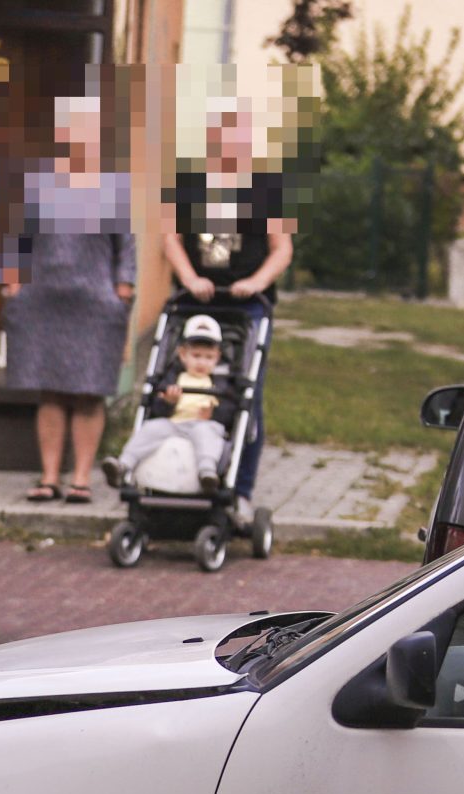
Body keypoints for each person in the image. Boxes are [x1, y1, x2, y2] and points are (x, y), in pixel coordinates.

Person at [160, 97, 291, 525]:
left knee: (244, 394)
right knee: (176, 382)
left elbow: (281, 248)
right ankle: (170, 472)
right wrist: (188, 278)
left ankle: (241, 489)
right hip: (195, 304)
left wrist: (255, 282)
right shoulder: (188, 184)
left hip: (247, 307)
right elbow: (171, 239)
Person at [4, 95, 134, 503]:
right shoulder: (37, 181)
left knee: (89, 390)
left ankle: (80, 479)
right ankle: (48, 478)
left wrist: (123, 291)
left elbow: (126, 246)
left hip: (95, 303)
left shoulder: (112, 185)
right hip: (42, 300)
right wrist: (12, 283)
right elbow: (17, 240)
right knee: (51, 390)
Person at [103, 314, 227, 490]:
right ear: (183, 355)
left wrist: (214, 414)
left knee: (207, 435)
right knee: (151, 429)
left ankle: (207, 471)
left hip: (203, 424)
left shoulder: (220, 381)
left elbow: (230, 409)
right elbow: (157, 409)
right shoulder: (173, 377)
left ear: (217, 358)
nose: (202, 362)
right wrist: (168, 402)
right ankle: (124, 464)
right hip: (174, 423)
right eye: (196, 355)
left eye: (208, 357)